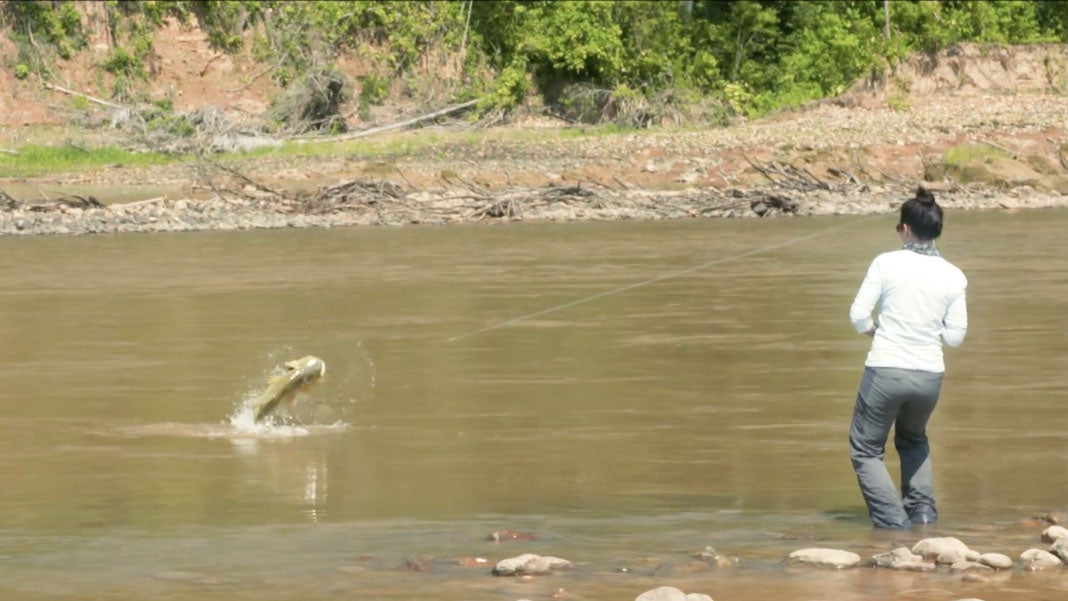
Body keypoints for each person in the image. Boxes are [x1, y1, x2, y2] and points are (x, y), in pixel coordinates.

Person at [847, 187, 968, 529]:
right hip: (930, 375)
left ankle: (893, 525)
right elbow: (955, 338)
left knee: (865, 449)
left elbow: (857, 317)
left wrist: (874, 330)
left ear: (905, 229)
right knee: (913, 438)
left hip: (886, 368)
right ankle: (924, 515)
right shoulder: (954, 275)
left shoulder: (886, 263)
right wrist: (927, 330)